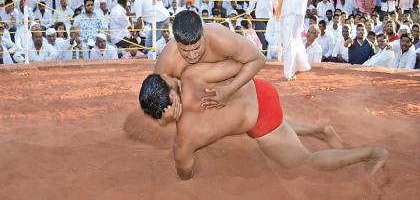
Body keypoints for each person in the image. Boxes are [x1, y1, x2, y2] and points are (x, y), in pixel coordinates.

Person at [139, 60, 388, 181]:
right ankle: (321, 131)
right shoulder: (193, 74)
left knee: (304, 162)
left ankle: (371, 153)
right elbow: (237, 66)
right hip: (260, 90)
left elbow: (186, 174)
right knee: (274, 125)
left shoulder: (184, 142)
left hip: (261, 120)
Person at [153, 10, 266, 108]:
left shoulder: (220, 38)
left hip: (239, 94)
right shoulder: (168, 59)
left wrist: (230, 89)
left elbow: (258, 59)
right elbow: (154, 96)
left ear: (204, 36)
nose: (192, 55)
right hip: (196, 110)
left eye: (197, 48)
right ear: (176, 43)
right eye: (185, 51)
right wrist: (174, 93)